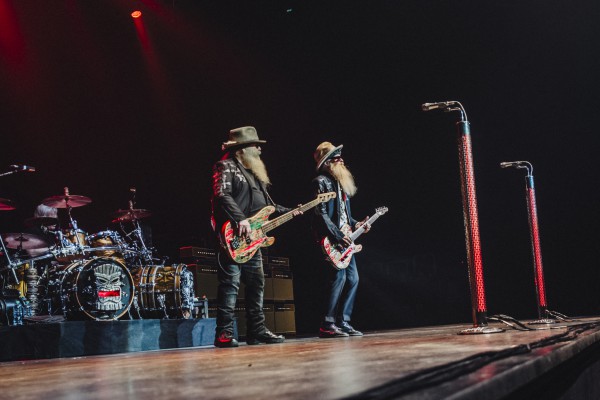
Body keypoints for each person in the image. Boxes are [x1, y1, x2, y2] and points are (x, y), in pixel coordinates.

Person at [211, 126, 299, 347]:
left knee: (257, 284)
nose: (260, 150)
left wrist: (289, 211)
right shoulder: (226, 166)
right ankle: (224, 332)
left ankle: (256, 331)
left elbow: (267, 206)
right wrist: (239, 219)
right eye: (255, 145)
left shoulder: (256, 175)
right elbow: (222, 194)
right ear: (242, 149)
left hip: (254, 240)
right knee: (230, 284)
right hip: (233, 237)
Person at [311, 142, 369, 338]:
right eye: (336, 157)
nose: (341, 159)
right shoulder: (321, 182)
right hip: (332, 240)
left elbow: (344, 216)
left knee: (353, 278)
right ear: (327, 163)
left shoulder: (341, 185)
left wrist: (358, 224)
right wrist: (337, 235)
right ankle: (327, 324)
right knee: (338, 278)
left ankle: (343, 321)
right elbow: (321, 215)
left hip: (345, 240)